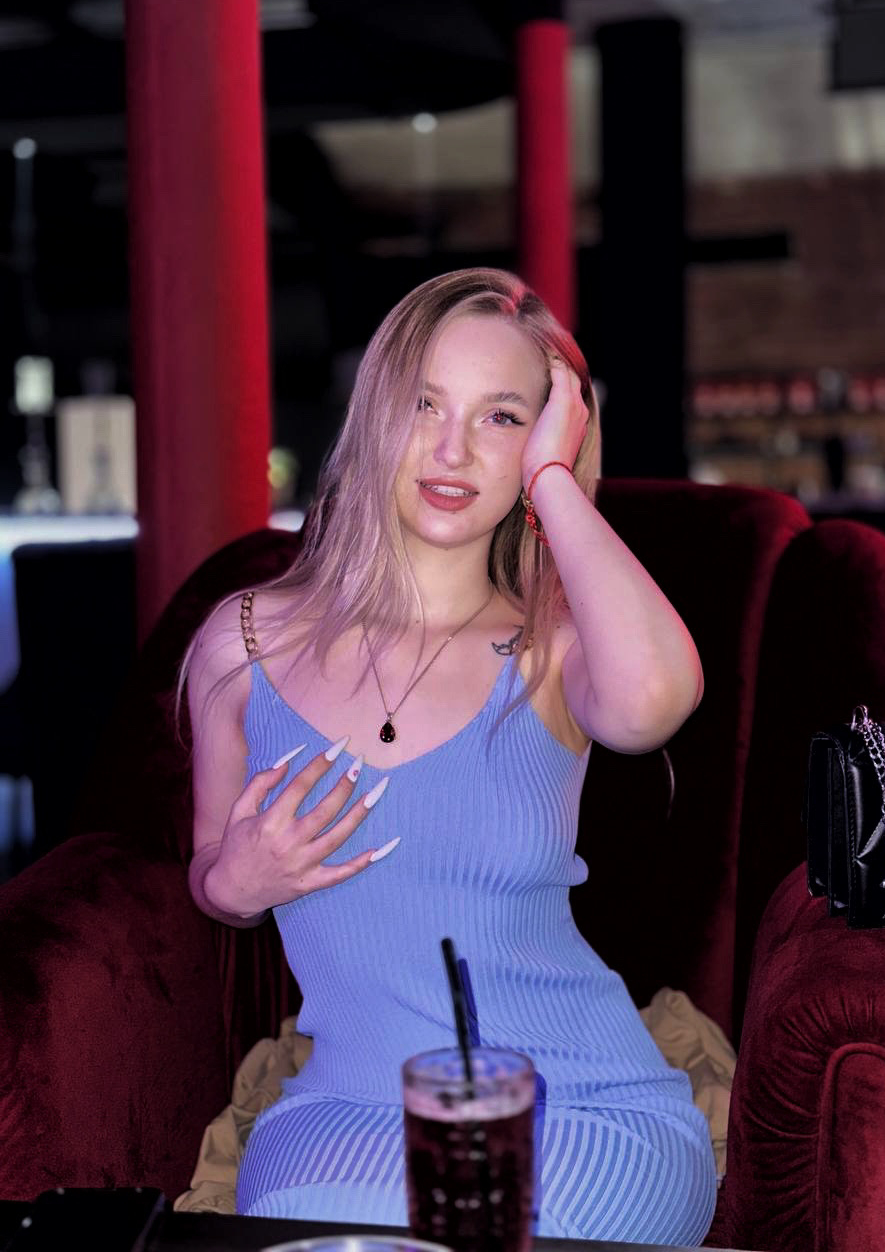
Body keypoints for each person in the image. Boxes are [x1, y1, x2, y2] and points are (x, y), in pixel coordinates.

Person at [184, 268, 716, 1244]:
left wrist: (555, 482)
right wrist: (236, 880)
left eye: (501, 417)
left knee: (498, 1226)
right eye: (425, 403)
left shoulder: (554, 650)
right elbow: (212, 871)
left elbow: (655, 701)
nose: (453, 447)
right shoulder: (244, 643)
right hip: (349, 1108)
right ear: (376, 413)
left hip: (579, 1104)